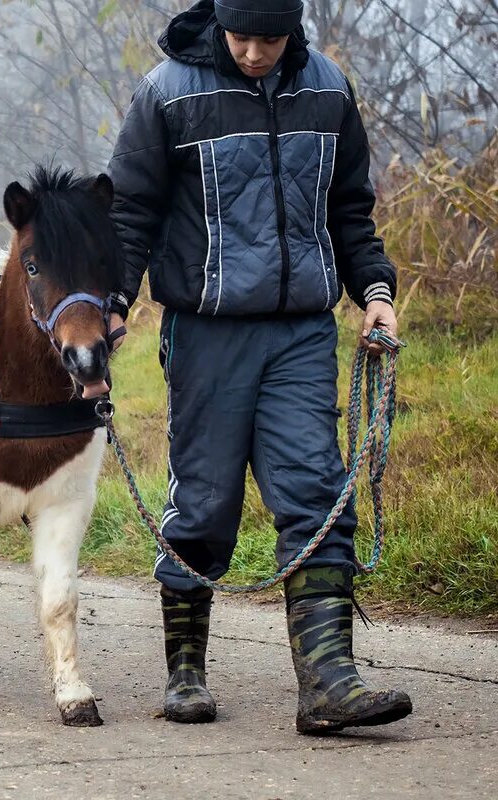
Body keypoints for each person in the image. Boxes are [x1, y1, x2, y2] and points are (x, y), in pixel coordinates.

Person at [106, 0, 412, 733]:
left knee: (316, 488)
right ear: (221, 23)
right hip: (207, 330)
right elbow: (130, 213)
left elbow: (350, 208)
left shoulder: (329, 89)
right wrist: (114, 301)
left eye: (269, 39)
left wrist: (374, 291)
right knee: (206, 503)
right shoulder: (169, 92)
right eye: (241, 37)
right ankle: (185, 674)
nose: (252, 53)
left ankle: (329, 684)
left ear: (292, 30)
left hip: (303, 330)